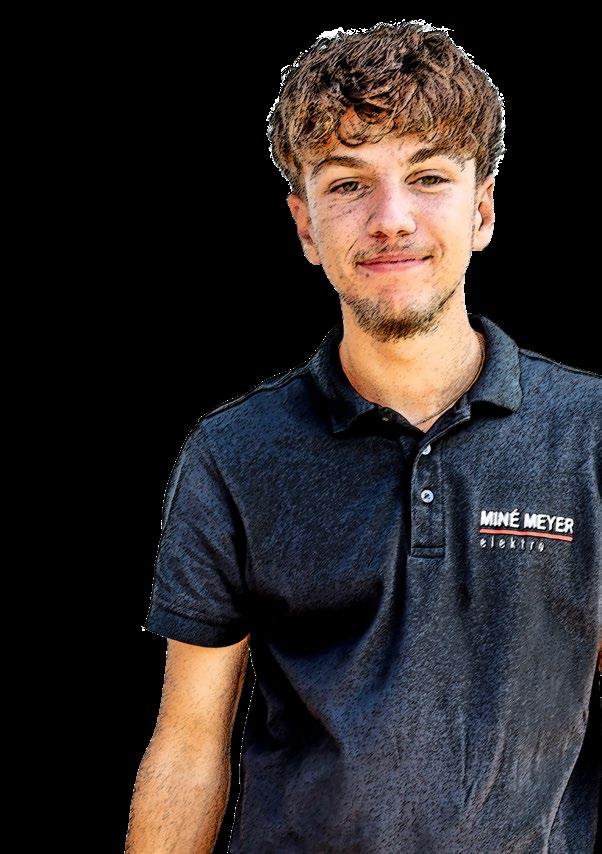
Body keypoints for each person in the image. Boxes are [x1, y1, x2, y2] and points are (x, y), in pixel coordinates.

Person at [125, 20, 601, 853]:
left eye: (428, 177)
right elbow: (190, 747)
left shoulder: (590, 433)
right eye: (348, 184)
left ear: (483, 209)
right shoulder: (234, 456)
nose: (390, 219)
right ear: (306, 226)